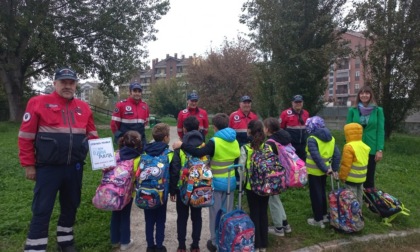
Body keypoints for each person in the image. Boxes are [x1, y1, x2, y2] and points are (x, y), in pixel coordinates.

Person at [18, 67, 98, 252]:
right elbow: (25, 136)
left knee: (71, 205)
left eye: (71, 82)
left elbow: (92, 135)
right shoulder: (38, 102)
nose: (67, 86)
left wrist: (103, 159)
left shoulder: (84, 107)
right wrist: (29, 165)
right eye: (63, 82)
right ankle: (35, 247)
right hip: (48, 168)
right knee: (42, 207)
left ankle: (66, 241)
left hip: (74, 167)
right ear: (55, 83)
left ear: (76, 85)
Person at [172, 113, 240, 252]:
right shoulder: (235, 141)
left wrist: (173, 189)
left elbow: (177, 167)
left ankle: (191, 245)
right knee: (225, 212)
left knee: (210, 214)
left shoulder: (213, 142)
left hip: (200, 185)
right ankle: (206, 243)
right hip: (228, 182)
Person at [169, 116, 204, 252]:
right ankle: (195, 245)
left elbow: (175, 169)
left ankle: (181, 246)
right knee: (197, 217)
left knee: (182, 217)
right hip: (199, 187)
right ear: (198, 128)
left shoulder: (179, 146)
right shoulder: (204, 146)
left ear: (184, 129)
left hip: (183, 188)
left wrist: (173, 190)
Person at [142, 123, 174, 252]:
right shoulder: (169, 153)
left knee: (148, 220)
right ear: (166, 137)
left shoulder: (144, 151)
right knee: (160, 220)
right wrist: (172, 191)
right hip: (161, 193)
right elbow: (173, 173)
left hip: (145, 191)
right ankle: (160, 246)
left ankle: (150, 246)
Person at [239, 120, 269, 252]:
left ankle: (256, 244)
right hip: (266, 185)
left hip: (252, 186)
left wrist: (242, 183)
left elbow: (241, 169)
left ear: (250, 131)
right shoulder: (267, 146)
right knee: (263, 212)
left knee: (254, 213)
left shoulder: (245, 148)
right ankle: (264, 243)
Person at [305, 116, 340, 228]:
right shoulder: (331, 138)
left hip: (315, 172)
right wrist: (333, 169)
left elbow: (316, 156)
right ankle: (324, 215)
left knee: (316, 195)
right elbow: (337, 155)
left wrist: (326, 169)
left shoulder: (312, 139)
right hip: (326, 172)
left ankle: (318, 219)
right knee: (322, 192)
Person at [346, 86, 384, 189]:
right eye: (362, 93)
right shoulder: (353, 110)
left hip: (371, 146)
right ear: (359, 96)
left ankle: (369, 201)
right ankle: (354, 198)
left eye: (367, 93)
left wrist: (379, 149)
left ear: (370, 95)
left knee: (369, 175)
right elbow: (348, 130)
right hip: (356, 147)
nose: (364, 95)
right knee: (356, 173)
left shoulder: (378, 110)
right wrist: (348, 148)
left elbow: (380, 131)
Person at [110, 130, 143, 251]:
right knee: (125, 215)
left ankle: (114, 240)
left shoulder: (115, 154)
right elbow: (138, 176)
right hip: (128, 192)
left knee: (115, 214)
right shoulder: (138, 158)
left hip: (113, 190)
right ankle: (125, 241)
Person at [262, 118, 292, 237]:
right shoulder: (284, 138)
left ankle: (279, 228)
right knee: (277, 199)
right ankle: (285, 224)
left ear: (267, 129)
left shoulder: (270, 143)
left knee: (273, 200)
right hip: (284, 173)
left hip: (274, 175)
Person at [339, 123, 370, 206]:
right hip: (362, 177)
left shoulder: (349, 147)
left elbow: (346, 164)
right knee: (359, 196)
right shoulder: (365, 146)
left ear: (348, 134)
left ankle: (353, 216)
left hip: (351, 178)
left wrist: (342, 177)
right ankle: (359, 213)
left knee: (351, 198)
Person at [279, 94, 310, 160]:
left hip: (303, 145)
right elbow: (280, 129)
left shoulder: (306, 113)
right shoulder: (285, 113)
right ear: (292, 103)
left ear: (302, 102)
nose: (298, 104)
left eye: (300, 102)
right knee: (291, 164)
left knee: (302, 164)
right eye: (296, 102)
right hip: (290, 146)